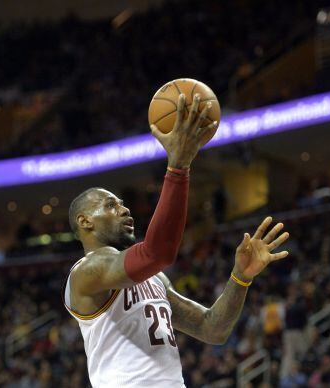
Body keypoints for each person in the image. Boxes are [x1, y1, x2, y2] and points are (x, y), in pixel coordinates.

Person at [63, 93, 291, 387]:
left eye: (121, 203)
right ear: (85, 222)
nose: (124, 209)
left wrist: (240, 278)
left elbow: (212, 329)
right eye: (110, 205)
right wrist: (178, 166)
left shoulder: (155, 280)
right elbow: (155, 253)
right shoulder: (85, 273)